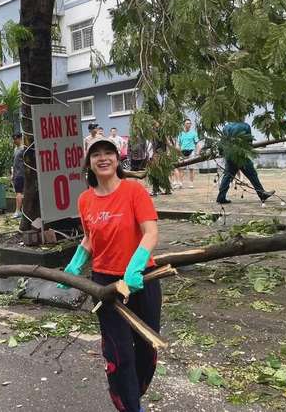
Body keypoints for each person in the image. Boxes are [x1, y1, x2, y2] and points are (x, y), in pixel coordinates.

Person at [58, 137, 161, 412]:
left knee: (146, 349)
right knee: (119, 354)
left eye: (108, 153)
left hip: (142, 280)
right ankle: (129, 406)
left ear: (118, 159)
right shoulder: (85, 200)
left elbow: (150, 232)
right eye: (96, 155)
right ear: (89, 163)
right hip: (105, 285)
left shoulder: (134, 191)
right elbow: (90, 238)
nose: (103, 158)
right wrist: (76, 263)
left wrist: (136, 265)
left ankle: (133, 394)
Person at [216, 121, 275, 204]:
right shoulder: (245, 126)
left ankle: (221, 197)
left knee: (227, 176)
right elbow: (249, 142)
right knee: (252, 174)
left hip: (230, 155)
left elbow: (222, 142)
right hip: (241, 155)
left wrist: (221, 153)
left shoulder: (226, 127)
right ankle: (262, 194)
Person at [176, 119, 199, 188]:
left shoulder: (194, 133)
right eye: (187, 123)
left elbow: (197, 143)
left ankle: (191, 183)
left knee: (191, 168)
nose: (188, 125)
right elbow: (178, 144)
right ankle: (180, 183)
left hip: (191, 151)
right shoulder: (180, 133)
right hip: (182, 152)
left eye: (189, 123)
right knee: (181, 168)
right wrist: (178, 151)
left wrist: (197, 152)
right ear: (184, 124)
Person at [11, 133, 25, 219]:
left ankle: (18, 211)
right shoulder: (15, 149)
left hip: (21, 174)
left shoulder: (24, 149)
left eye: (16, 139)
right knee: (19, 193)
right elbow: (14, 162)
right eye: (13, 139)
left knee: (19, 193)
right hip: (16, 174)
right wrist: (12, 173)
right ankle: (20, 211)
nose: (14, 141)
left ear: (20, 138)